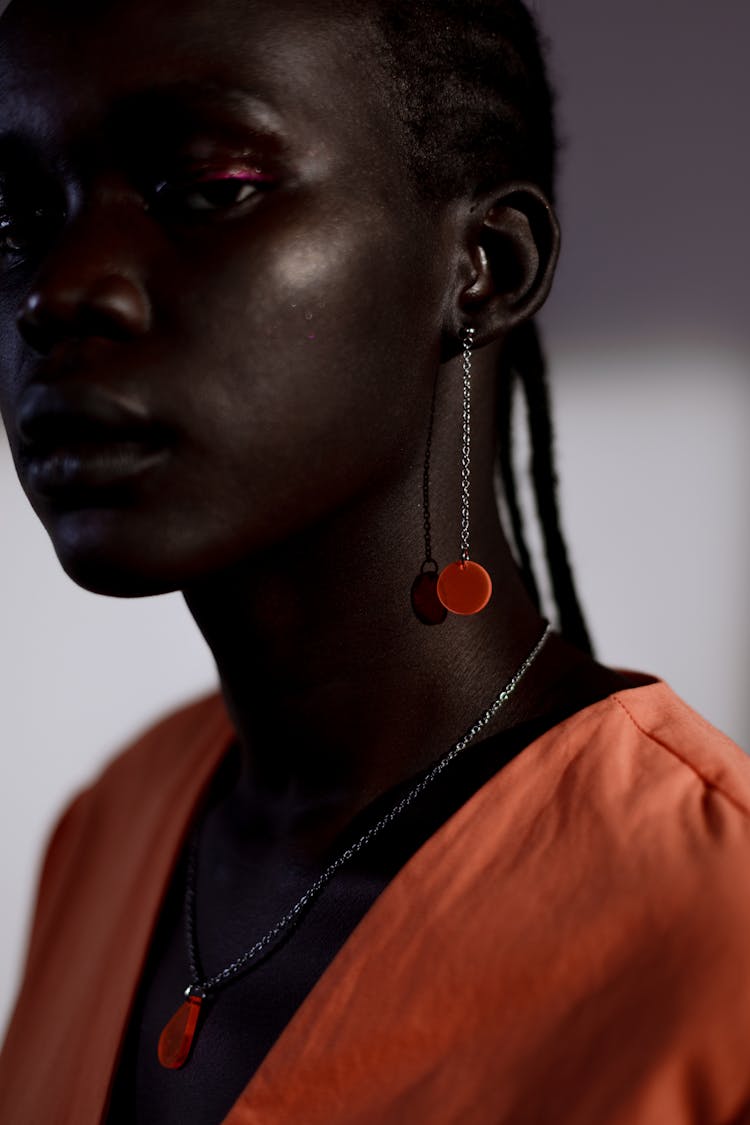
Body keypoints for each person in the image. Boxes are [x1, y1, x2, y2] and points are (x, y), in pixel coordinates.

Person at [1, 0, 749, 1122]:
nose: (58, 293)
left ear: (485, 267)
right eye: (17, 218)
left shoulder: (715, 932)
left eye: (208, 191)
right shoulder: (114, 825)